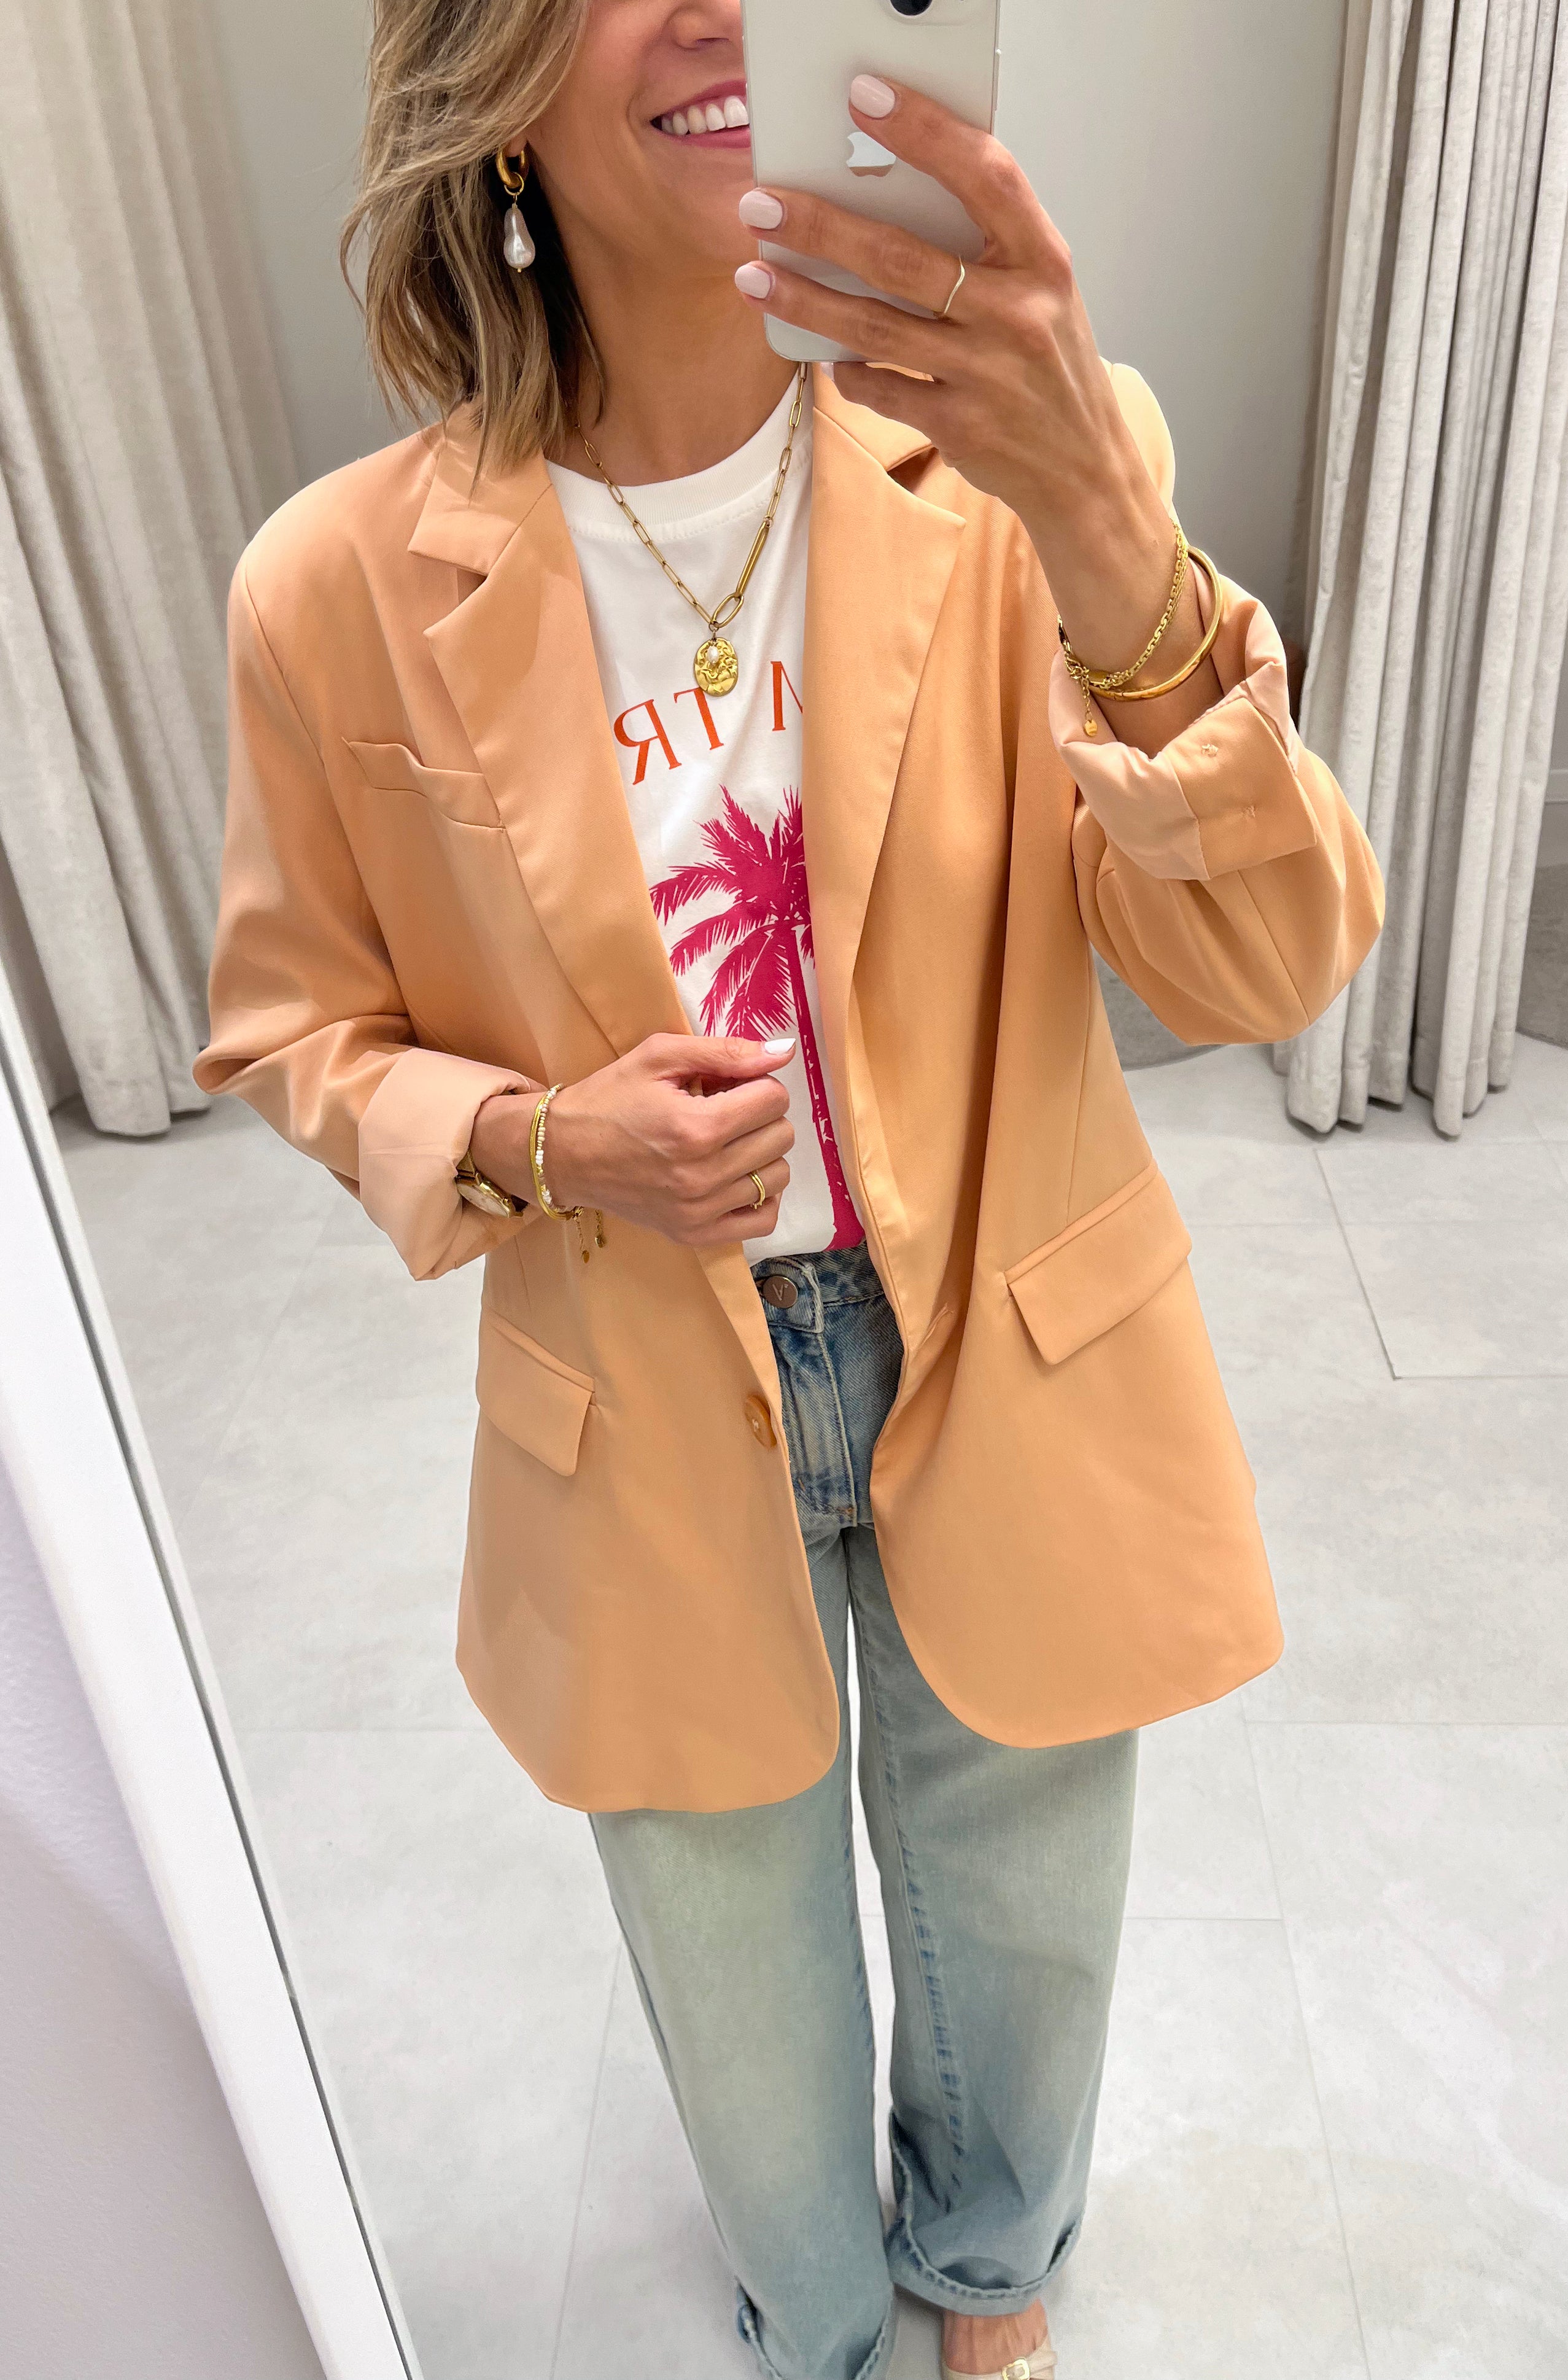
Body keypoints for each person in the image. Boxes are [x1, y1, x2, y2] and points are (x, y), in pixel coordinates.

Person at [197, 3, 1383, 2374]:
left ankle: (993, 2276)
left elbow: (1264, 962)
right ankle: (825, 2318)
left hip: (1008, 1339)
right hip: (642, 1394)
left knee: (1023, 1906)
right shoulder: (336, 587)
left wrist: (1111, 534)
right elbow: (293, 1028)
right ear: (489, 79)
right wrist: (548, 1137)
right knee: (735, 1985)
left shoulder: (1033, 468)